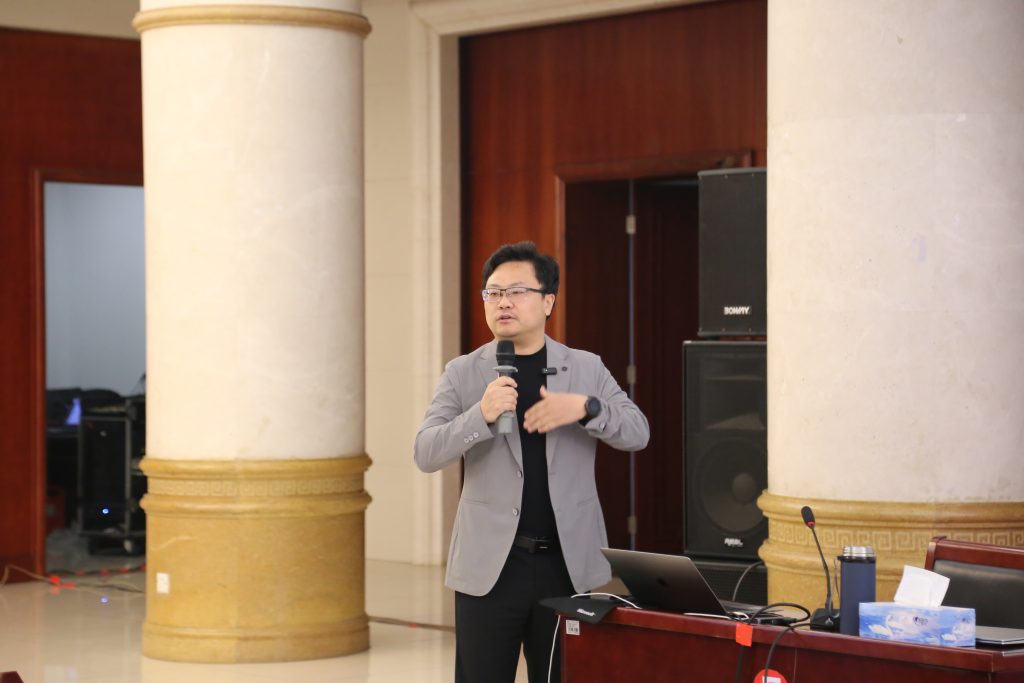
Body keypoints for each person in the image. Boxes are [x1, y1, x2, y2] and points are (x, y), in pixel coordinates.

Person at [414, 241, 650, 683]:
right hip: (489, 568)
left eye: (517, 291)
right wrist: (479, 416)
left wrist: (586, 409)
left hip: (567, 565)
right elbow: (425, 452)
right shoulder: (463, 372)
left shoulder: (585, 368)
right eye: (493, 292)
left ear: (548, 302)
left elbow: (638, 433)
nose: (503, 302)